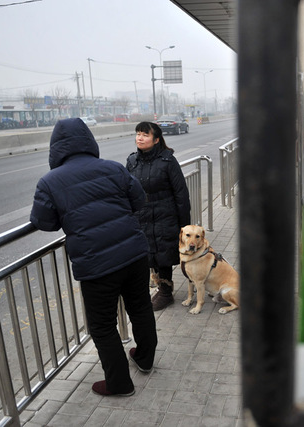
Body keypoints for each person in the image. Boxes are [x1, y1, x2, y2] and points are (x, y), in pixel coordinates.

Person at [30, 118, 157, 397]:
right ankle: (145, 358)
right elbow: (138, 200)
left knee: (102, 325)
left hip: (96, 264)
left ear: (56, 149)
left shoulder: (49, 182)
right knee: (140, 307)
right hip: (134, 253)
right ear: (89, 141)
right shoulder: (112, 168)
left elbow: (44, 221)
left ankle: (120, 383)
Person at [126, 121, 191, 311]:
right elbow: (126, 189)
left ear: (156, 140)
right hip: (142, 215)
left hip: (165, 215)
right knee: (147, 254)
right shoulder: (132, 161)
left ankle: (165, 292)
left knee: (163, 254)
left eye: (145, 134)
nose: (140, 137)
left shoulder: (167, 160)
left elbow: (181, 193)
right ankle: (158, 287)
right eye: (138, 133)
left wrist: (184, 225)